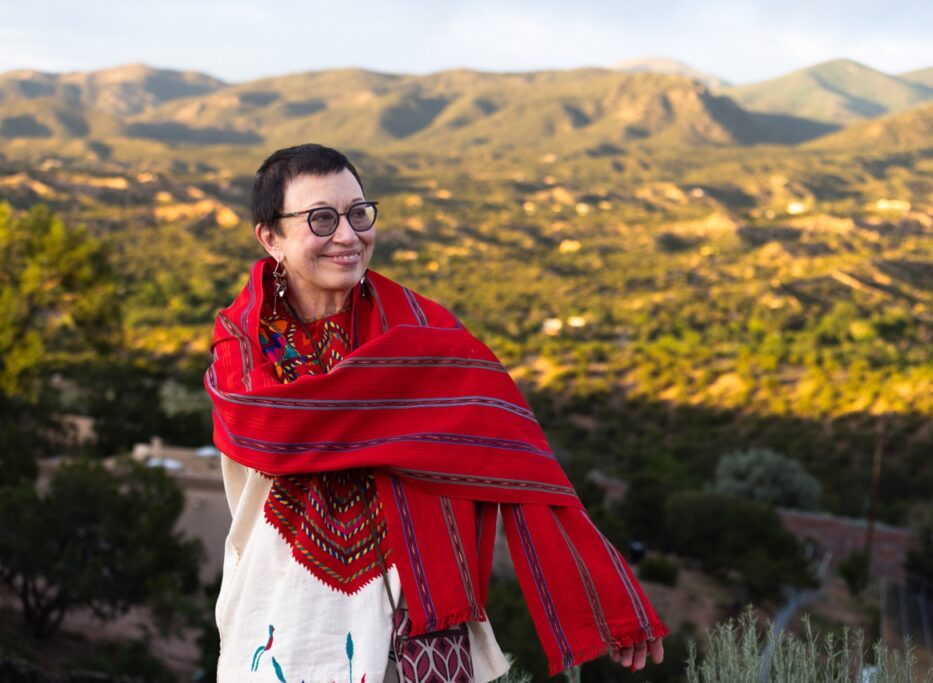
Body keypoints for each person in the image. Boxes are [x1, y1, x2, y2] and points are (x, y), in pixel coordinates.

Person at [206, 143, 666, 682]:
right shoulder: (242, 346)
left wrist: (609, 597)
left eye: (358, 214)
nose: (349, 235)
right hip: (281, 616)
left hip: (419, 627)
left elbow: (520, 461)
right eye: (322, 219)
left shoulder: (428, 333)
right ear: (271, 237)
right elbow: (261, 433)